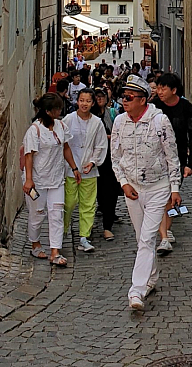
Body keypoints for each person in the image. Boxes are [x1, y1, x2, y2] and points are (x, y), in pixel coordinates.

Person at [110, 75, 181, 311]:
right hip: (132, 188)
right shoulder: (120, 122)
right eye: (123, 97)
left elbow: (172, 157)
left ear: (142, 99)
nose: (124, 102)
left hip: (157, 187)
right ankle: (150, 278)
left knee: (148, 238)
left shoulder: (160, 122)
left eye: (129, 98)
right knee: (142, 237)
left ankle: (136, 291)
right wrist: (123, 183)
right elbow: (116, 158)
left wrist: (174, 188)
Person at [22, 92, 80, 267]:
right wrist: (29, 179)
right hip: (38, 180)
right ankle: (35, 243)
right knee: (37, 214)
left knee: (56, 214)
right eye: (57, 109)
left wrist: (74, 167)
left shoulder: (61, 126)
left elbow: (66, 148)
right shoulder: (35, 130)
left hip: (56, 178)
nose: (60, 112)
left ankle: (55, 251)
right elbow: (29, 155)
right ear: (48, 111)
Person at [153, 73, 192, 254]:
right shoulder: (154, 106)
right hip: (156, 158)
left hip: (177, 158)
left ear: (174, 90)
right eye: (158, 88)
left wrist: (191, 162)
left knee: (170, 196)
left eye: (163, 88)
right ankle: (165, 235)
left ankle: (166, 230)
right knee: (160, 196)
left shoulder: (186, 107)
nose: (160, 91)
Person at [62, 88, 108, 252]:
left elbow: (101, 145)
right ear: (77, 101)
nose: (84, 104)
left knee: (88, 204)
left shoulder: (97, 123)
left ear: (93, 103)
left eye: (88, 101)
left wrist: (93, 162)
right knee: (69, 201)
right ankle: (63, 230)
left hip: (89, 170)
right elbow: (63, 143)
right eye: (82, 100)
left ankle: (84, 236)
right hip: (70, 169)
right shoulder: (69, 119)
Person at [93, 87, 120, 240]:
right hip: (94, 159)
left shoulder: (112, 113)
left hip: (110, 157)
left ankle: (108, 224)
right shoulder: (90, 116)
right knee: (96, 191)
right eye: (96, 96)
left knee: (110, 190)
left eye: (102, 96)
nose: (100, 99)